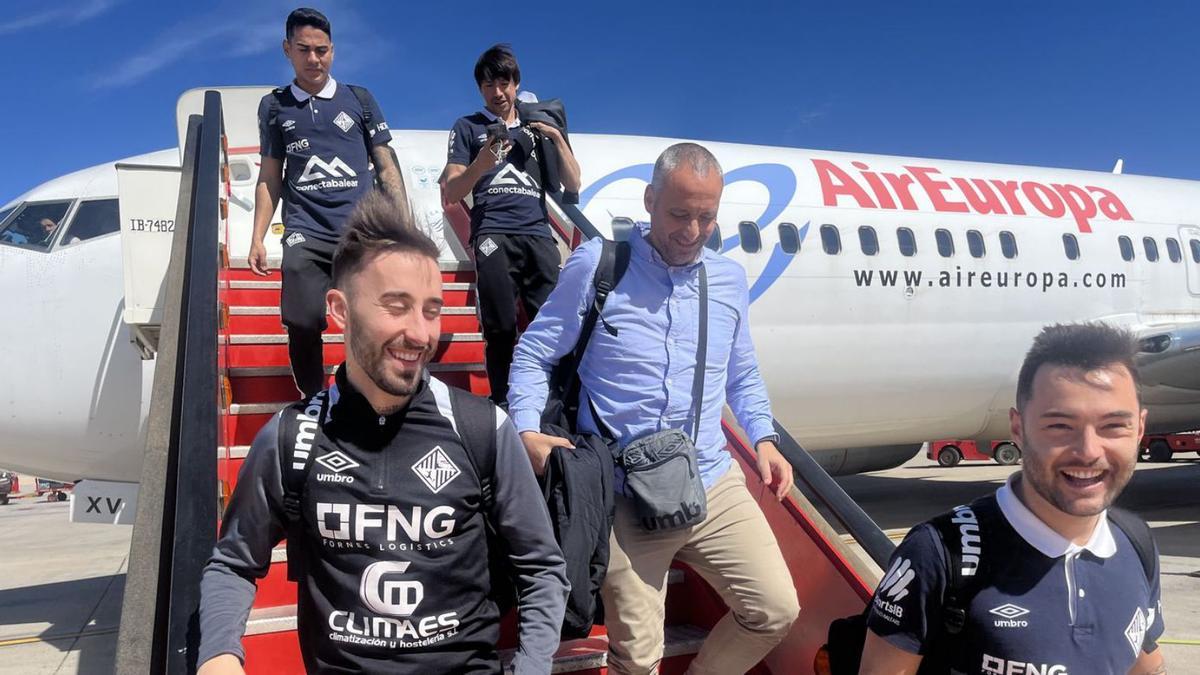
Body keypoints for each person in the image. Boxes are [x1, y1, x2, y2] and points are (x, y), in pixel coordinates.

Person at [197, 193, 568, 674]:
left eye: (431, 310)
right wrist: (220, 653)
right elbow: (234, 562)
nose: (420, 333)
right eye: (397, 307)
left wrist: (532, 667)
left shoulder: (482, 429)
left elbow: (541, 568)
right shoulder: (289, 438)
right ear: (340, 309)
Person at [509, 143, 800, 675]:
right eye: (678, 214)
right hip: (624, 493)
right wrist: (526, 428)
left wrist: (763, 437)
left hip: (711, 478)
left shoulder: (728, 280)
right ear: (649, 201)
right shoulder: (599, 266)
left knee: (775, 610)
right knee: (638, 659)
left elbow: (742, 373)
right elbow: (534, 351)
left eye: (706, 217)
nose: (691, 231)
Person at [859, 323, 1167, 675]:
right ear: (1018, 429)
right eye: (1059, 426)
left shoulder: (1136, 542)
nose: (1088, 451)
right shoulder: (939, 553)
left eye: (1113, 426)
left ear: (1140, 429)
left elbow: (1144, 663)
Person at [247, 7, 409, 398]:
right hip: (305, 229)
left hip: (360, 232)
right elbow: (270, 176)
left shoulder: (359, 99)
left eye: (322, 50)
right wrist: (258, 237)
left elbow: (386, 166)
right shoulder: (275, 106)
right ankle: (314, 400)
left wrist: (403, 230)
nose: (314, 58)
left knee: (372, 321)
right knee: (303, 320)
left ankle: (371, 396)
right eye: (304, 49)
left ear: (333, 51)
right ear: (287, 50)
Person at [442, 44, 581, 407]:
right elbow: (453, 190)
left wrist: (555, 138)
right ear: (480, 90)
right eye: (489, 86)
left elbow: (574, 183)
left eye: (504, 83)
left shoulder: (540, 125)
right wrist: (482, 163)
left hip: (537, 233)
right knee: (500, 327)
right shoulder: (468, 127)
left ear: (516, 84)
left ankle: (557, 402)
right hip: (493, 233)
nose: (497, 93)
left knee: (551, 326)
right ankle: (503, 403)